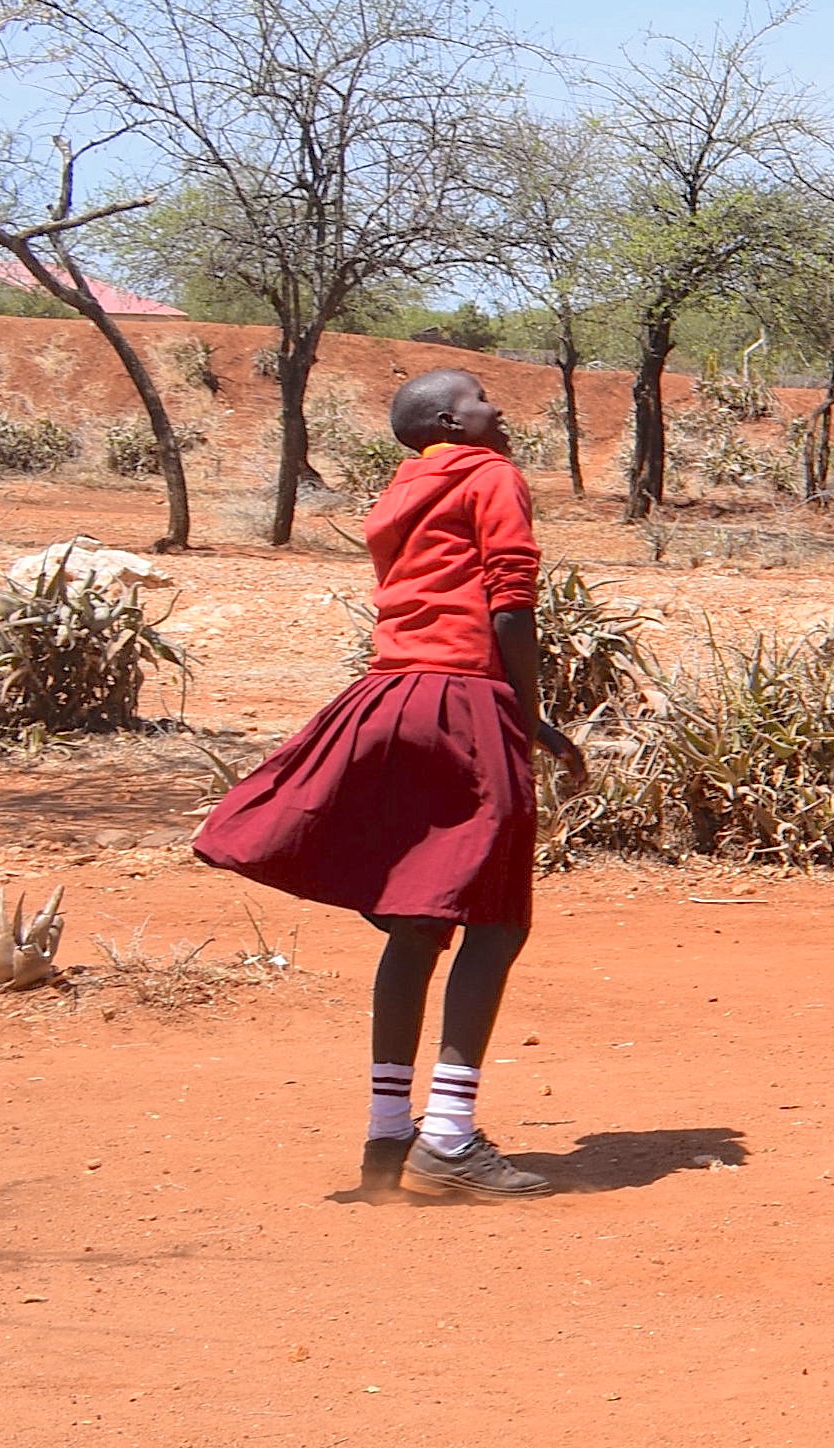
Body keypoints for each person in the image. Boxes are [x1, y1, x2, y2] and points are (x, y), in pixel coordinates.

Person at [195, 369, 588, 1200]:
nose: (501, 409)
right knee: (495, 920)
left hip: (389, 695)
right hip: (464, 698)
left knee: (416, 923)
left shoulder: (404, 484)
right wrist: (530, 714)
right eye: (484, 398)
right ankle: (447, 1139)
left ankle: (387, 1137)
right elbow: (510, 607)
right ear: (453, 419)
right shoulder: (490, 474)